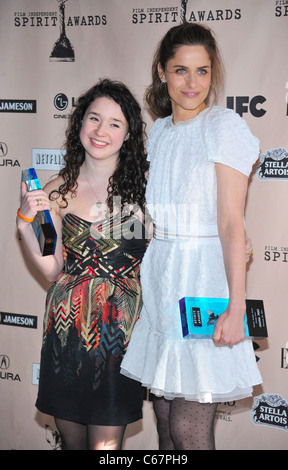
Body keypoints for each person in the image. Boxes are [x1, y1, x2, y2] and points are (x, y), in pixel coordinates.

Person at [121, 22, 262, 450]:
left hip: (203, 280)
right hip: (162, 278)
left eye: (202, 71)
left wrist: (236, 307)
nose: (192, 82)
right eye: (181, 70)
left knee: (188, 426)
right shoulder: (159, 132)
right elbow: (152, 214)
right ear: (162, 72)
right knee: (164, 419)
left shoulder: (223, 127)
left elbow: (230, 223)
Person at [16, 79, 149, 450]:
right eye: (94, 118)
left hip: (119, 334)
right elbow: (52, 269)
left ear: (128, 134)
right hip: (67, 330)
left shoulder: (147, 187)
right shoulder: (55, 190)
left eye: (114, 123)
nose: (101, 131)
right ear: (79, 124)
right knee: (72, 443)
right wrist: (26, 225)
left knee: (106, 449)